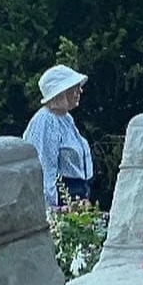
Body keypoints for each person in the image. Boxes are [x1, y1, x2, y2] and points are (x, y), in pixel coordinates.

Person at [23, 64, 94, 207]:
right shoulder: (46, 121)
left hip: (77, 198)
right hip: (63, 201)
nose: (80, 90)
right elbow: (45, 168)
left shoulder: (65, 118)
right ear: (61, 92)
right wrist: (52, 210)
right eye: (74, 87)